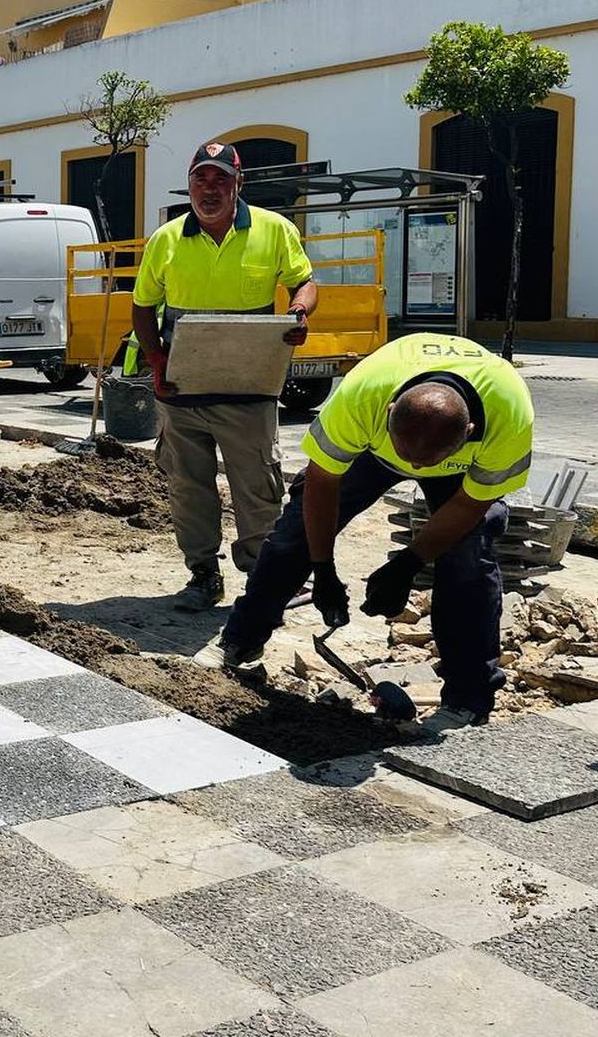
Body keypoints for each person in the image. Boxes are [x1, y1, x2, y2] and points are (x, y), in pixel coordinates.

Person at [200, 332, 534, 731]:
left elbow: (469, 505)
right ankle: (241, 641)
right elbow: (323, 484)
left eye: (425, 463)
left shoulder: (509, 419)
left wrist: (408, 564)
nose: (415, 469)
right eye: (406, 457)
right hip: (373, 452)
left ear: (468, 432)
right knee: (294, 537)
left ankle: (467, 699)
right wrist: (322, 569)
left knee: (467, 561)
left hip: (459, 470)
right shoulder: (363, 397)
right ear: (390, 410)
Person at [132, 142, 319, 611]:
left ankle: (264, 577)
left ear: (239, 184)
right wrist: (155, 361)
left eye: (220, 179)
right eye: (201, 179)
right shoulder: (167, 240)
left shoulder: (274, 230)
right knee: (188, 486)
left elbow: (304, 281)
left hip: (249, 388)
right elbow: (141, 307)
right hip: (182, 393)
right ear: (189, 184)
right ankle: (202, 575)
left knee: (258, 485)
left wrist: (298, 312)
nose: (209, 189)